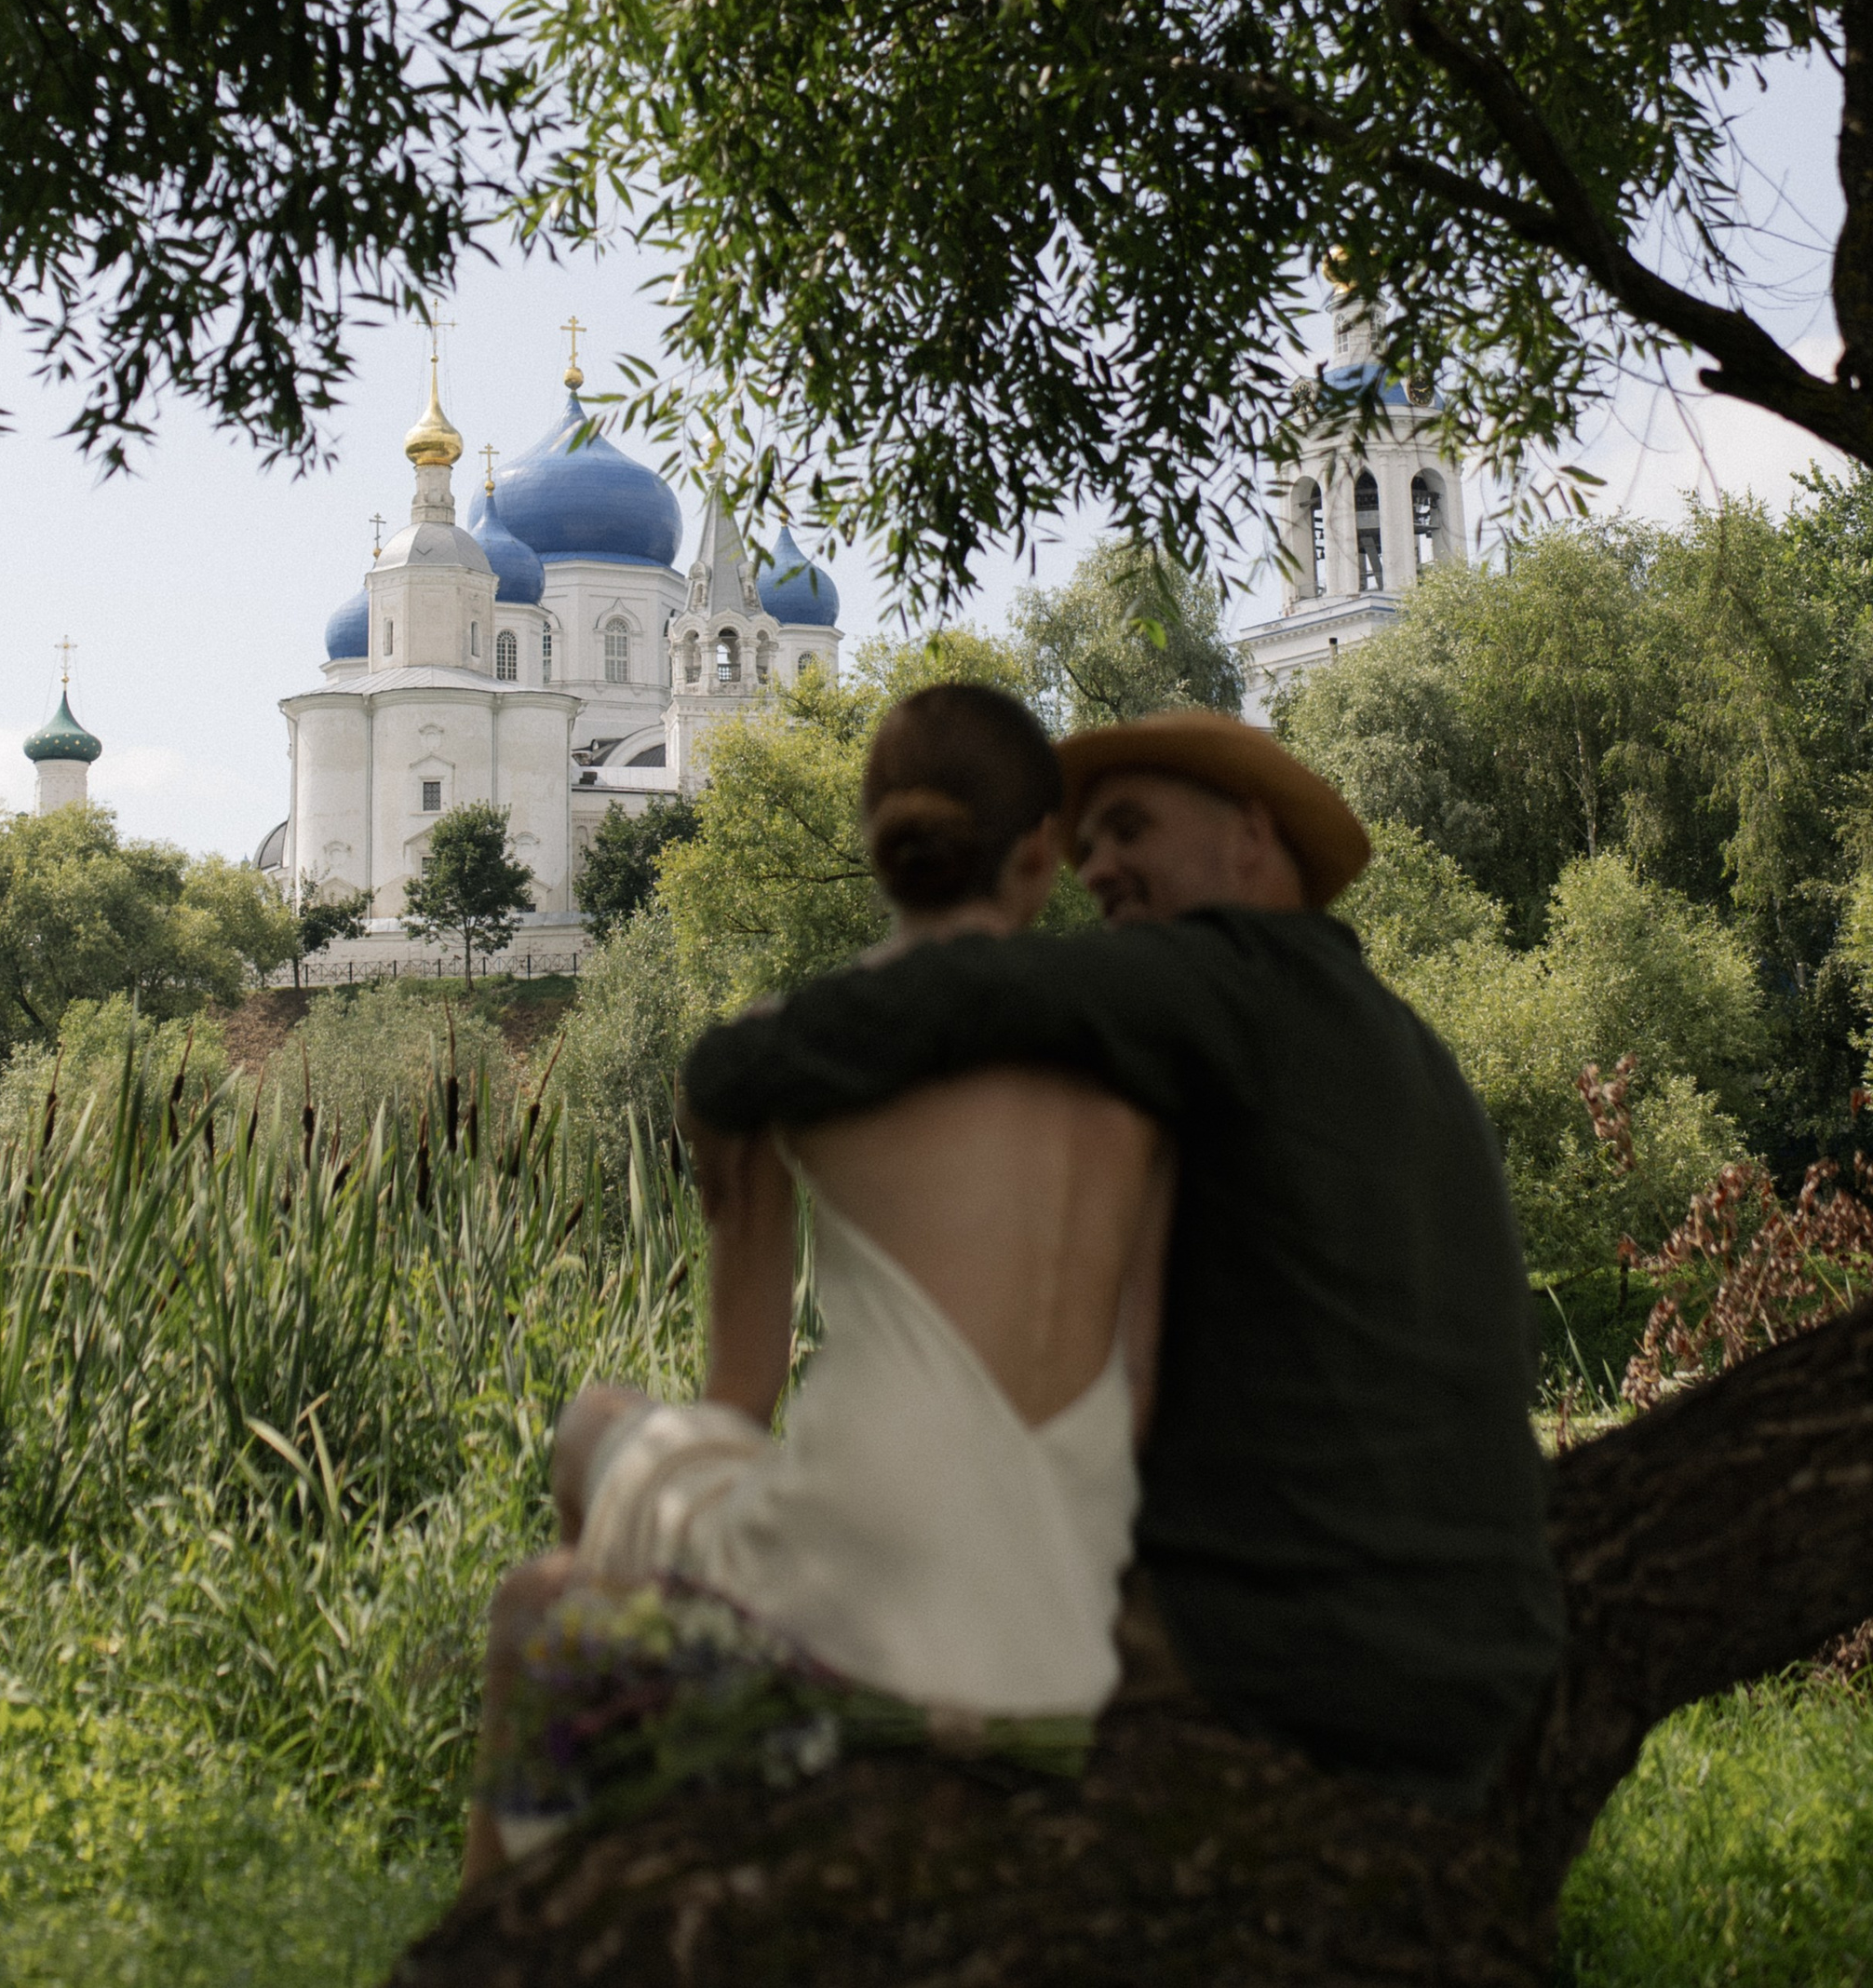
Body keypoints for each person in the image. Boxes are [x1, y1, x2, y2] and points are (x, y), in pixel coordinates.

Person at [685, 709, 1566, 1811]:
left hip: (1278, 1648)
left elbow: (966, 991)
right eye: (1082, 842)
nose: (1094, 867)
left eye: (1130, 828)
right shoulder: (1401, 1042)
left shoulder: (1223, 975)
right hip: (1480, 1656)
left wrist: (735, 1060)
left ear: (1250, 837)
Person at [463, 683, 1172, 1885]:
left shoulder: (772, 1056)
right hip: (1056, 1620)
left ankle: (539, 1893)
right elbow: (1144, 1382)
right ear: (1040, 852)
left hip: (856, 1600)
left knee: (581, 1462)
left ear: (879, 843)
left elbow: (738, 1397)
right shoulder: (1151, 1053)